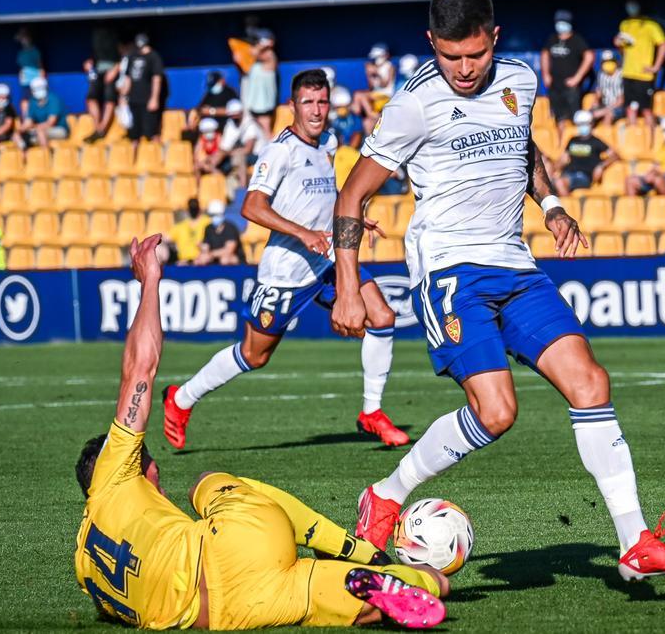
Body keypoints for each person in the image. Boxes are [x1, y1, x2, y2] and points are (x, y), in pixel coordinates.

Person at [332, 0, 665, 582]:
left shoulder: (520, 80)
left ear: (494, 39)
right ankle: (386, 493)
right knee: (497, 411)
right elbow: (354, 191)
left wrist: (552, 205)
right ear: (432, 43)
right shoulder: (413, 104)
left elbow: (523, 150)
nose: (462, 68)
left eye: (474, 55)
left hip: (515, 263)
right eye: (449, 56)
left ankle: (634, 541)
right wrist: (348, 285)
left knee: (590, 382)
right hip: (449, 268)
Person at [76, 234, 449, 630]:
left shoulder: (86, 566)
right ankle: (357, 553)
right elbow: (140, 367)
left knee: (390, 590)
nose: (156, 473)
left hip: (230, 613)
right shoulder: (114, 472)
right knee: (205, 484)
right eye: (148, 463)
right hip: (234, 544)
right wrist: (150, 280)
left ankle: (389, 585)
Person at [163, 70, 410, 450]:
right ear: (292, 106)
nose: (316, 111)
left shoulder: (328, 141)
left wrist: (350, 216)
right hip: (286, 271)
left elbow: (326, 194)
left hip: (327, 258)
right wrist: (303, 233)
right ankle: (180, 400)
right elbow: (252, 206)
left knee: (381, 316)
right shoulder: (280, 151)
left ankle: (371, 412)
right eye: (308, 102)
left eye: (322, 102)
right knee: (253, 355)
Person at [614, 0, 665, 132]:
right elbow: (623, 51)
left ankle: (652, 143)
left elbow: (663, 44)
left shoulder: (651, 25)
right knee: (630, 109)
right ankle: (634, 143)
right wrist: (618, 44)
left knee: (646, 110)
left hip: (644, 75)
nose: (631, 7)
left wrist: (656, 66)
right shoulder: (625, 24)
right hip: (628, 73)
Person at [541, 9, 594, 137]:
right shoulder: (552, 39)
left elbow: (589, 56)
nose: (560, 25)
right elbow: (545, 54)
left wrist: (578, 77)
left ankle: (574, 145)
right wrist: (546, 74)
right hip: (555, 86)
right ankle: (561, 147)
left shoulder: (576, 40)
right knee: (559, 118)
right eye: (558, 22)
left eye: (563, 22)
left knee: (574, 118)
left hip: (571, 88)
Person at [554, 110, 617, 196]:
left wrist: (601, 166)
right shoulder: (572, 140)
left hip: (583, 176)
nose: (583, 126)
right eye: (580, 124)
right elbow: (564, 158)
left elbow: (615, 155)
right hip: (568, 173)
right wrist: (558, 164)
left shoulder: (596, 141)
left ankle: (568, 208)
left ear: (591, 124)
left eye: (585, 123)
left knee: (559, 183)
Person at [121, 33, 168, 142]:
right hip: (133, 100)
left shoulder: (154, 57)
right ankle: (134, 158)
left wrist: (154, 98)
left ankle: (154, 156)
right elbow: (128, 78)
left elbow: (157, 79)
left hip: (147, 101)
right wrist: (123, 96)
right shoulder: (132, 56)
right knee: (134, 135)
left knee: (151, 133)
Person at [220, 98, 268, 188]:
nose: (234, 118)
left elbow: (248, 149)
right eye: (232, 116)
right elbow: (224, 147)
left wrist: (228, 153)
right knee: (224, 165)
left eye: (236, 115)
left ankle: (242, 189)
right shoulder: (230, 124)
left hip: (259, 155)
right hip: (241, 155)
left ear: (241, 113)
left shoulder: (251, 124)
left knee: (240, 157)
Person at [84, 26, 121, 142]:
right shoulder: (96, 35)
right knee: (90, 98)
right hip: (98, 71)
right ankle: (97, 128)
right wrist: (89, 64)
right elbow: (93, 56)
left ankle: (102, 129)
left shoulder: (117, 35)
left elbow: (125, 55)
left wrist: (116, 69)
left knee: (110, 100)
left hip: (113, 72)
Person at [353, 43, 396, 135]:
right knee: (367, 123)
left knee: (361, 96)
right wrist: (368, 74)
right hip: (375, 96)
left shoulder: (389, 66)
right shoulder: (373, 67)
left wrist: (377, 73)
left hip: (385, 96)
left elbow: (384, 84)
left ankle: (372, 114)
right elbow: (371, 87)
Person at [243, 33, 279, 137]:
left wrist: (264, 45)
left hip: (263, 105)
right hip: (255, 104)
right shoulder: (256, 61)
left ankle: (273, 150)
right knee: (258, 133)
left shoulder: (270, 55)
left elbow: (252, 52)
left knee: (267, 132)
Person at [19, 77, 68, 147]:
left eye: (41, 88)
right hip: (39, 130)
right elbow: (28, 121)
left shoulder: (53, 99)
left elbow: (51, 122)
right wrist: (20, 130)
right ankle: (25, 156)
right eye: (36, 88)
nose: (38, 90)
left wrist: (35, 128)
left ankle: (45, 155)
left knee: (40, 132)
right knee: (22, 136)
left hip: (59, 129)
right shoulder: (32, 101)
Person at [189, 71, 240, 136]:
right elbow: (201, 108)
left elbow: (234, 112)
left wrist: (211, 111)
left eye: (215, 84)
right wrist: (194, 113)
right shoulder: (209, 93)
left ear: (222, 81)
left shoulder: (230, 92)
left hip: (227, 128)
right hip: (211, 128)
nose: (213, 87)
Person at [169, 198, 210, 265]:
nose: (193, 211)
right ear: (187, 210)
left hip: (201, 261)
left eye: (195, 208)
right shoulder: (180, 226)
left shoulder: (207, 222)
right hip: (184, 262)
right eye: (191, 208)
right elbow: (168, 238)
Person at [591, 50, 625, 124]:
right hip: (605, 104)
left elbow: (621, 100)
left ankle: (605, 134)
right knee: (588, 115)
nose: (608, 64)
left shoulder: (621, 75)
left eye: (610, 61)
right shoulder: (601, 74)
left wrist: (604, 110)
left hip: (619, 107)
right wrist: (596, 103)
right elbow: (599, 92)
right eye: (605, 62)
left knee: (608, 115)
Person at [15, 27, 44, 96]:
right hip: (25, 80)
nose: (23, 40)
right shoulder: (21, 53)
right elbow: (21, 67)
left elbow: (40, 66)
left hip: (36, 78)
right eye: (22, 38)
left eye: (25, 37)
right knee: (26, 97)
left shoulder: (35, 51)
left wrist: (41, 77)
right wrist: (21, 75)